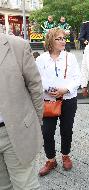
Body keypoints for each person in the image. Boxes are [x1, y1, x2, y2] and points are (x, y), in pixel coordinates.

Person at [0, 34, 43, 189]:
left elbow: (35, 87)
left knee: (26, 186)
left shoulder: (17, 45)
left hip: (15, 131)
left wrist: (35, 123)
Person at [36, 28, 81, 176]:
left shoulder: (70, 57)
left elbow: (77, 79)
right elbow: (36, 79)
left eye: (63, 38)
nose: (63, 41)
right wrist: (46, 89)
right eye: (59, 39)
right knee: (47, 132)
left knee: (66, 129)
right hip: (48, 101)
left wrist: (65, 89)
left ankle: (65, 155)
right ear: (50, 41)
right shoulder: (41, 59)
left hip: (68, 99)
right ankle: (51, 160)